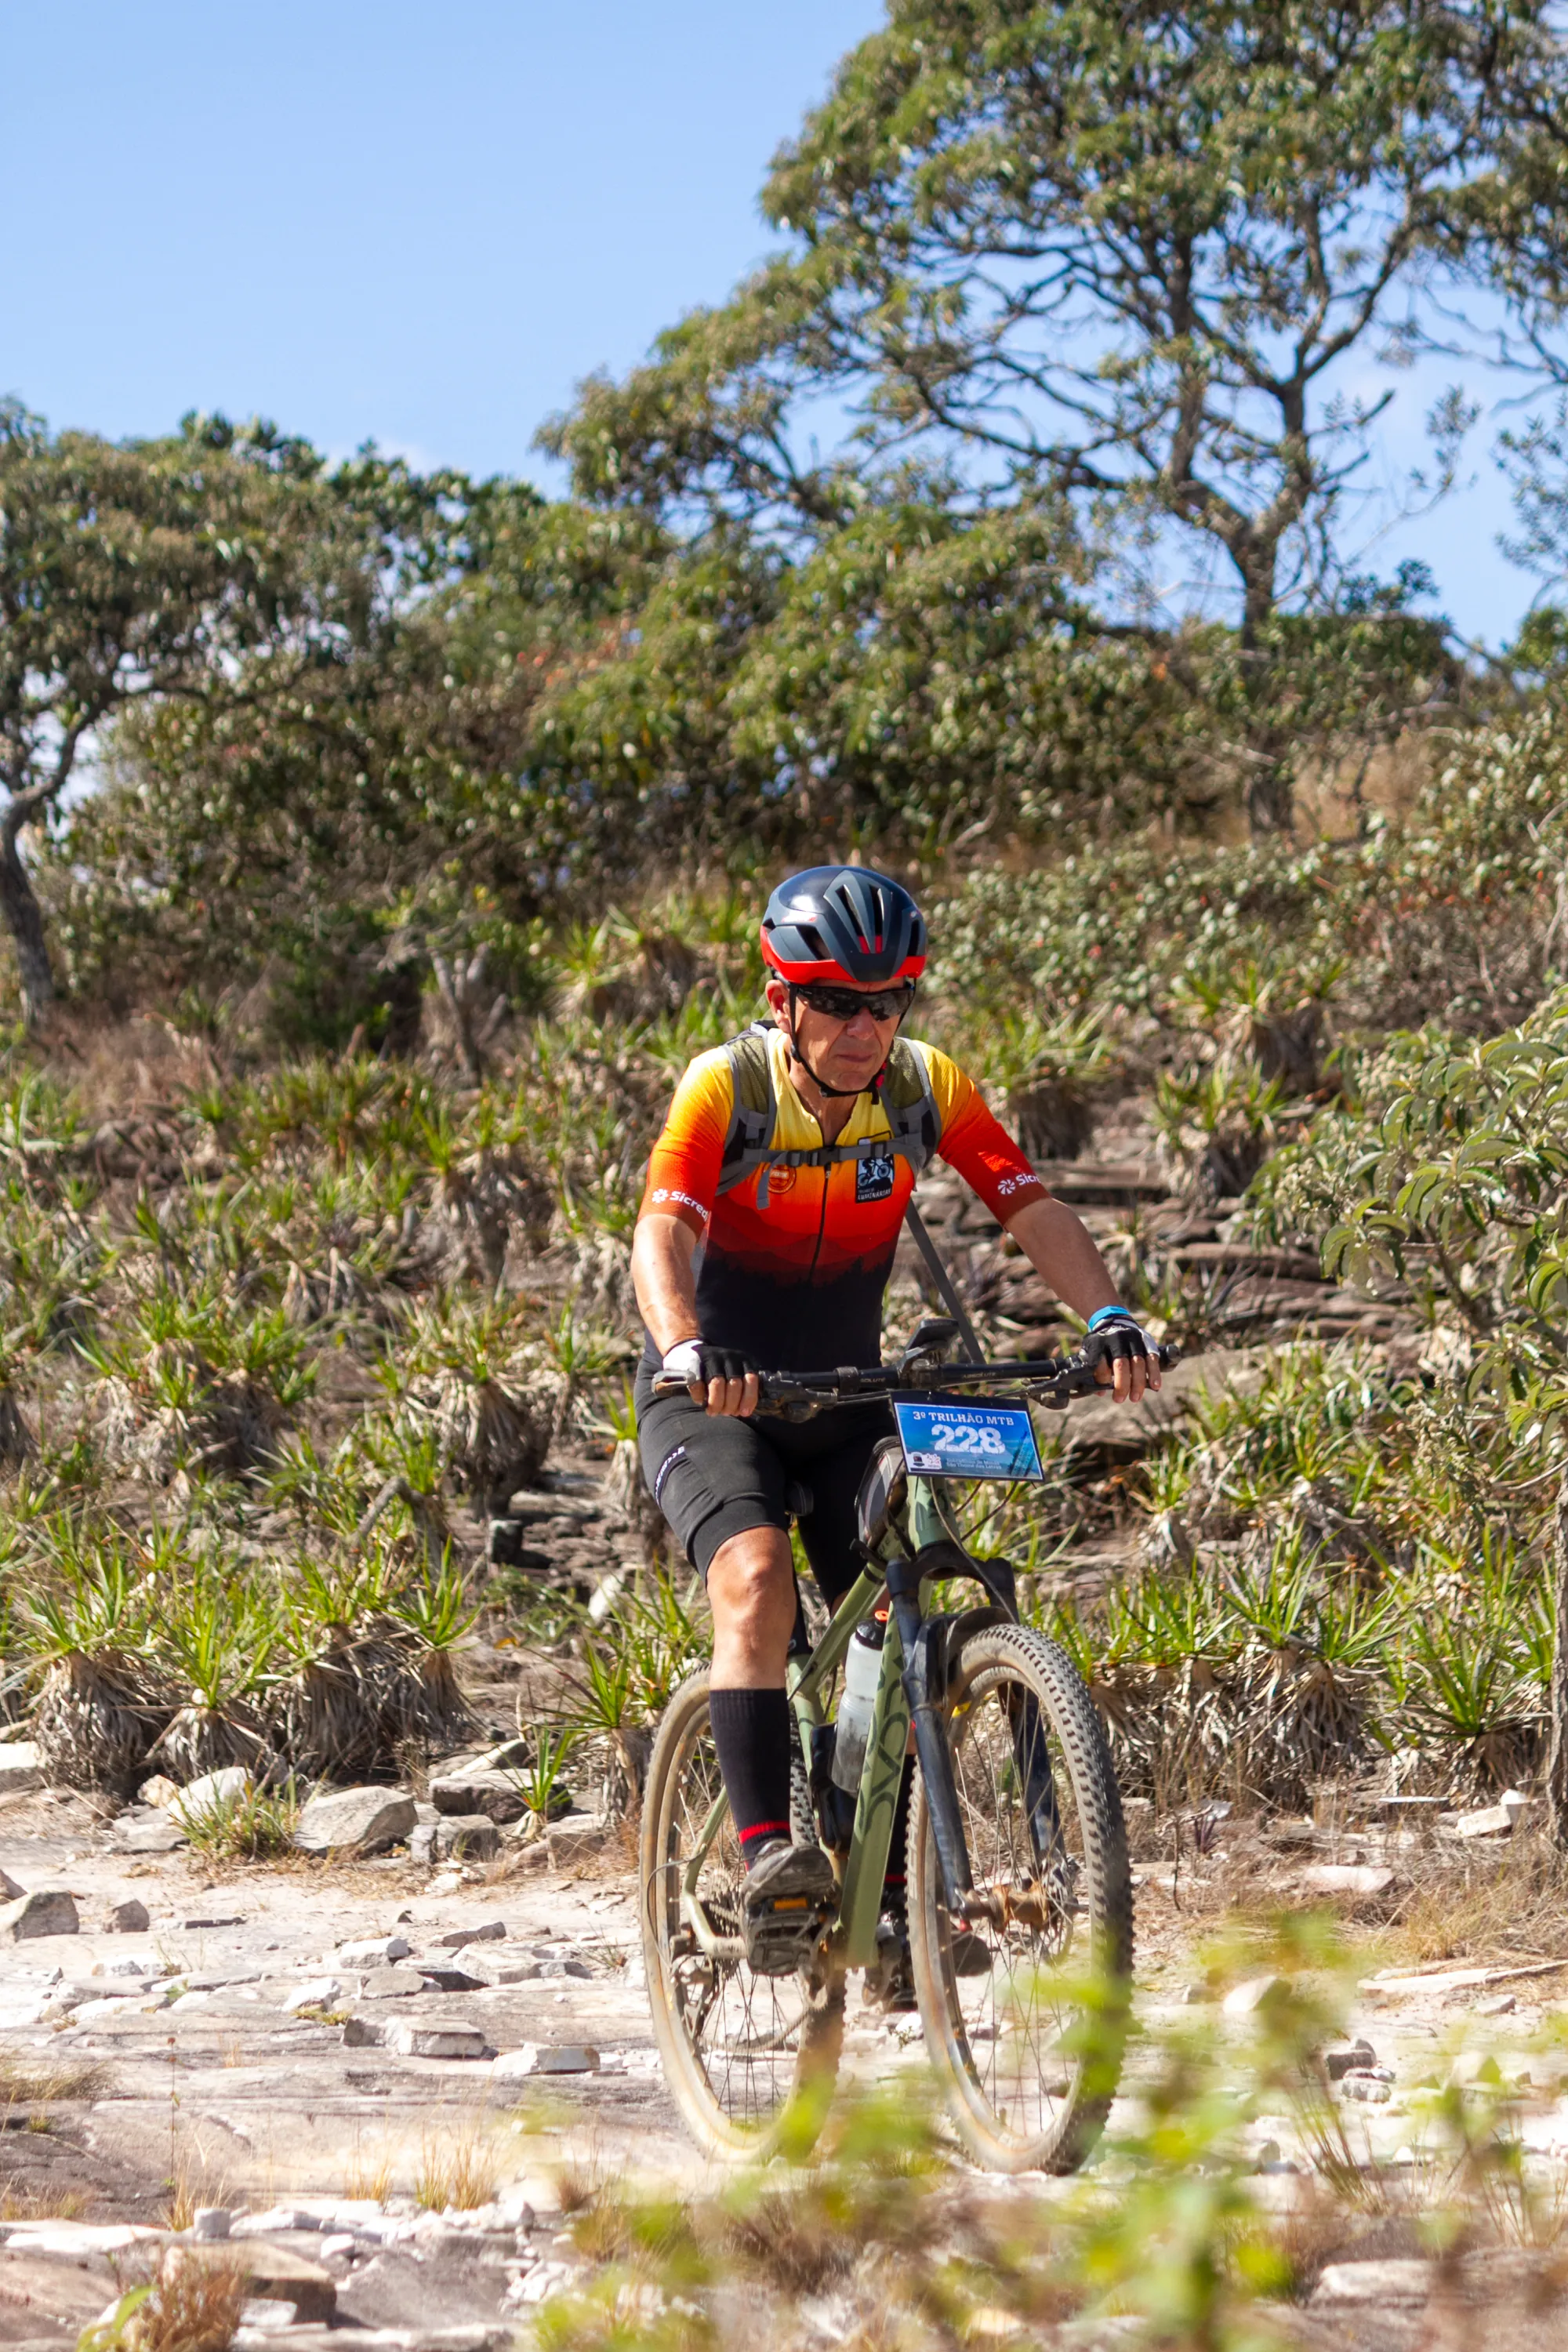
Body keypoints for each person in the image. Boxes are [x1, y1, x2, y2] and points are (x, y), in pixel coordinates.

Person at [631, 865, 1157, 1982]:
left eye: (888, 1001)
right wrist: (685, 1342)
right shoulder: (725, 1088)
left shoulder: (925, 1087)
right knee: (760, 1580)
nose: (867, 1026)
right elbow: (662, 1228)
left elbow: (1031, 1204)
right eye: (838, 1000)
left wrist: (1106, 1314)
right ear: (783, 999)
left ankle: (884, 1879)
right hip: (715, 1395)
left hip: (844, 1389)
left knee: (907, 1583)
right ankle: (766, 1852)